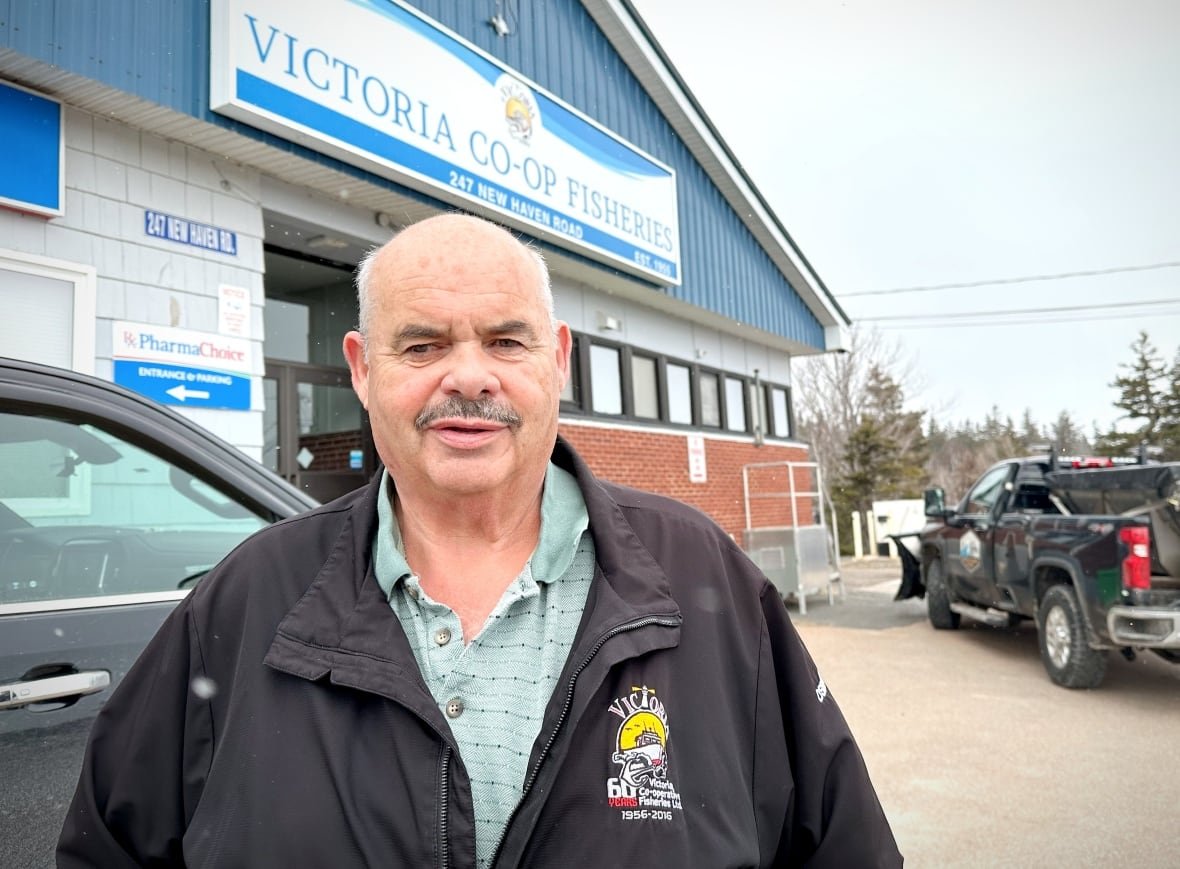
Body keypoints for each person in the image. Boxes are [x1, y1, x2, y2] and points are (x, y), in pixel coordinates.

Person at [58, 213, 902, 867]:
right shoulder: (246, 600)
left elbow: (843, 847)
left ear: (557, 360)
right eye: (422, 344)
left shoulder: (705, 580)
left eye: (505, 340)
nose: (468, 374)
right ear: (361, 369)